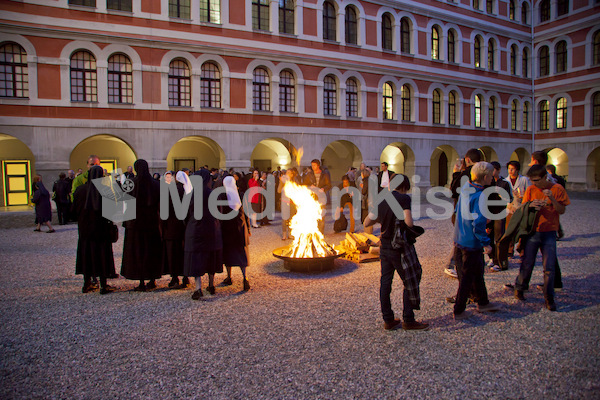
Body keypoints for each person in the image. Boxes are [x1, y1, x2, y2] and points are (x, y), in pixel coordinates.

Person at [364, 174, 429, 331]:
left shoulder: (381, 198)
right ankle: (408, 319)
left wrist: (383, 219)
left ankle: (388, 320)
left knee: (385, 283)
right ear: (403, 187)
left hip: (384, 247)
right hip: (398, 248)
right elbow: (409, 222)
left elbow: (366, 222)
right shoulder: (403, 198)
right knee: (410, 279)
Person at [513, 165, 570, 311]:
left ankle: (549, 297)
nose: (534, 183)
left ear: (545, 177)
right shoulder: (531, 190)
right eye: (532, 180)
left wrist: (551, 198)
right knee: (527, 262)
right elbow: (523, 208)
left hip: (549, 232)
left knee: (549, 266)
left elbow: (562, 210)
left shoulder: (557, 189)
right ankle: (520, 287)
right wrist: (531, 205)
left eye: (537, 180)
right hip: (533, 231)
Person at [452, 162, 501, 320]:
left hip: (460, 238)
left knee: (478, 272)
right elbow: (478, 224)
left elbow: (456, 210)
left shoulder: (467, 188)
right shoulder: (479, 196)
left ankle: (483, 301)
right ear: (486, 177)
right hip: (471, 242)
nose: (493, 178)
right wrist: (486, 242)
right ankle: (459, 309)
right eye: (491, 175)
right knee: (467, 277)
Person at [72, 165, 117, 294]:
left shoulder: (80, 190)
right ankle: (103, 284)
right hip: (102, 229)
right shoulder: (105, 190)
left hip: (85, 229)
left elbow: (73, 210)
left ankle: (87, 283)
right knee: (103, 255)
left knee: (86, 254)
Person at [121, 159, 163, 291]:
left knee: (138, 251)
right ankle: (152, 278)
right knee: (151, 251)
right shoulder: (156, 184)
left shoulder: (130, 183)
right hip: (151, 222)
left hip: (135, 224)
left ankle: (140, 281)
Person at [184, 169, 223, 300]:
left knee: (196, 257)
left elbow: (186, 212)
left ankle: (198, 287)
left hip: (195, 228)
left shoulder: (191, 194)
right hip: (211, 228)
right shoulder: (213, 193)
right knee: (211, 255)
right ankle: (211, 284)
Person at [445, 148, 483, 279]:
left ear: (467, 160)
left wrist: (456, 174)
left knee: (461, 239)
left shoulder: (465, 174)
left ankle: (453, 265)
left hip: (462, 212)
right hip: (479, 213)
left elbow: (453, 192)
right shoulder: (485, 175)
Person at [220, 176, 251, 291]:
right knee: (241, 252)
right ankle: (245, 277)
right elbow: (246, 212)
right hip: (240, 227)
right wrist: (248, 228)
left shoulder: (222, 196)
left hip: (227, 229)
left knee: (228, 253)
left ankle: (229, 277)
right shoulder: (241, 194)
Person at [160, 171, 188, 289]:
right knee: (184, 253)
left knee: (172, 254)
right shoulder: (187, 190)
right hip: (184, 227)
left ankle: (174, 277)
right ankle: (185, 277)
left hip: (171, 227)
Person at [487, 161, 513, 272]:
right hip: (489, 212)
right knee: (488, 237)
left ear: (498, 170)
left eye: (493, 170)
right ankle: (493, 258)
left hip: (499, 212)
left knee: (499, 238)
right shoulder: (487, 182)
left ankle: (501, 262)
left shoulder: (504, 183)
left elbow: (509, 199)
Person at [303, 159, 332, 233]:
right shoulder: (309, 174)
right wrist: (310, 186)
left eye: (314, 165)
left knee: (322, 216)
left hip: (322, 197)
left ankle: (321, 232)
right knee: (312, 215)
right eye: (312, 165)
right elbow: (304, 184)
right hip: (312, 197)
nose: (313, 167)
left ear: (318, 165)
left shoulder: (324, 174)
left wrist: (323, 189)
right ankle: (313, 232)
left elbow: (329, 185)